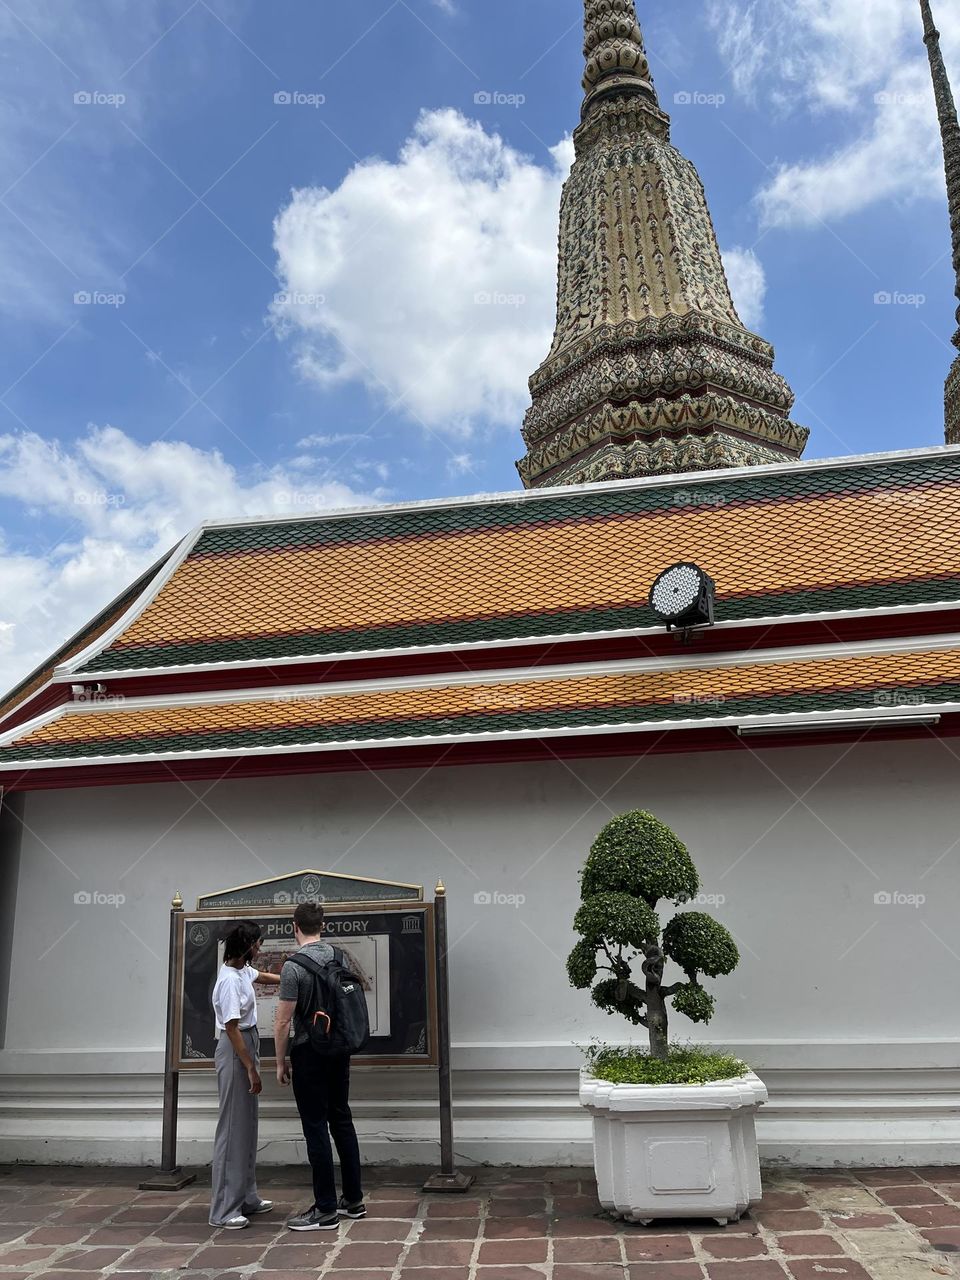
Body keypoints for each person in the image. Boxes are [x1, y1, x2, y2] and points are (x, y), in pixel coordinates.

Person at [274, 901, 365, 1231]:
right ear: (322, 925)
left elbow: (283, 1022)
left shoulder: (293, 967)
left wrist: (280, 1062)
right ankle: (353, 1200)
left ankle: (325, 1208)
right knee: (341, 1117)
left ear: (294, 926)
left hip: (309, 1051)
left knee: (315, 1126)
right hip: (339, 1049)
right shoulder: (339, 957)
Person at [209, 920, 281, 1229]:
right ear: (248, 946)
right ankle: (224, 1209)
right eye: (258, 944)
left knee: (247, 1125)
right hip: (236, 1048)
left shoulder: (241, 971)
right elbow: (231, 1027)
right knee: (233, 1126)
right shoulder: (227, 980)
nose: (260, 949)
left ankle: (246, 1196)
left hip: (247, 1043)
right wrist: (250, 1066)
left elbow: (263, 976)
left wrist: (293, 979)